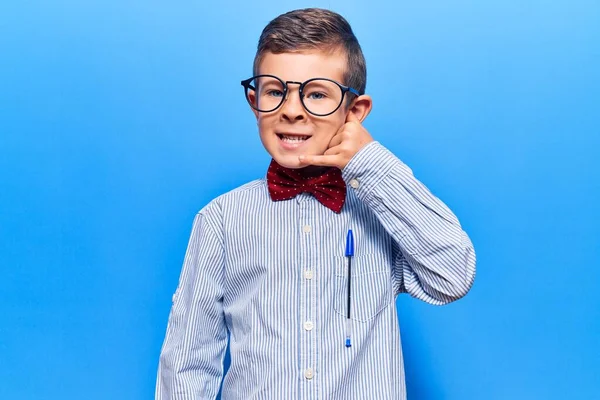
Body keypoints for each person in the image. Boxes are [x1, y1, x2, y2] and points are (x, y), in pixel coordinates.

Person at [156, 7, 476, 400]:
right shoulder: (221, 220)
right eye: (275, 91)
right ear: (254, 102)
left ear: (354, 112)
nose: (292, 110)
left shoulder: (382, 212)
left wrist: (371, 162)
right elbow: (188, 359)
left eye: (317, 94)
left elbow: (453, 275)